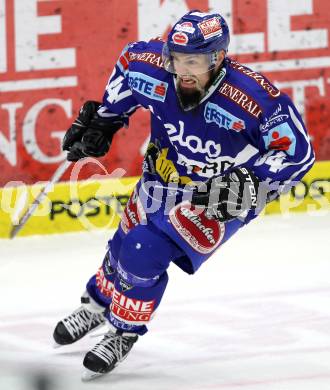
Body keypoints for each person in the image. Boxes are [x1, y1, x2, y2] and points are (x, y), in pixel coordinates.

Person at [53, 10, 315, 380]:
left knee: (144, 250)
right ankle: (97, 303)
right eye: (176, 59)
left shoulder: (254, 99)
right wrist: (106, 118)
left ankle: (123, 331)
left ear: (218, 58)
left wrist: (254, 182)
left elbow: (298, 153)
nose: (183, 70)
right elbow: (129, 64)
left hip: (216, 198)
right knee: (123, 244)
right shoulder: (154, 69)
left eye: (193, 61)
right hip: (160, 178)